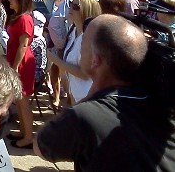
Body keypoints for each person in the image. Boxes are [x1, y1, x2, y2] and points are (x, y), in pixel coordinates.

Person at [36, 14, 175, 171]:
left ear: (95, 60)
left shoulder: (85, 116)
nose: (80, 44)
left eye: (84, 40)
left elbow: (41, 147)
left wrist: (91, 95)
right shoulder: (162, 106)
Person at [48, 0, 101, 105]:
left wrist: (55, 59)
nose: (71, 8)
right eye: (71, 4)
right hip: (76, 96)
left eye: (76, 7)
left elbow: (84, 73)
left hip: (87, 99)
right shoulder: (73, 31)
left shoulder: (89, 37)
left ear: (86, 11)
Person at [6, 0, 36, 149]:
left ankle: (29, 136)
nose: (9, 0)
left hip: (22, 63)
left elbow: (23, 45)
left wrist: (16, 66)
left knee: (23, 101)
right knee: (18, 99)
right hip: (15, 60)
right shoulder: (17, 17)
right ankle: (24, 130)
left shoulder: (25, 19)